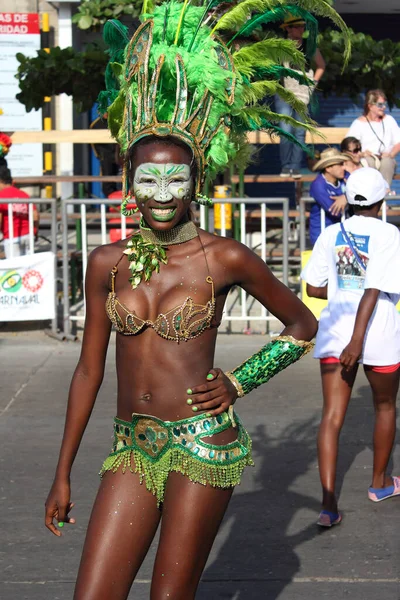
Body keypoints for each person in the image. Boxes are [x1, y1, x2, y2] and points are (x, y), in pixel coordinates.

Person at [44, 5, 319, 599]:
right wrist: (63, 470)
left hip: (202, 442)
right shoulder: (105, 263)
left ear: (197, 180)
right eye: (149, 180)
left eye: (176, 181)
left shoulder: (225, 258)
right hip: (131, 445)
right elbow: (90, 367)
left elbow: (302, 324)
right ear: (128, 181)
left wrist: (240, 382)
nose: (162, 196)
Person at [301, 167, 400, 527]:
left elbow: (313, 289)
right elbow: (375, 289)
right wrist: (358, 340)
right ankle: (380, 484)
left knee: (331, 417)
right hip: (377, 334)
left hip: (335, 332)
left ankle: (328, 505)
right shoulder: (390, 234)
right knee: (386, 406)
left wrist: (344, 291)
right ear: (380, 200)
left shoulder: (330, 234)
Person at [277, 14, 326, 179]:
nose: (301, 29)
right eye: (298, 26)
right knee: (285, 130)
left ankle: (295, 167)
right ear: (288, 29)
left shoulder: (309, 46)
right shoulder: (279, 46)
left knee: (299, 131)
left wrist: (313, 84)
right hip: (283, 92)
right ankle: (285, 166)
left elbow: (321, 65)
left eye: (302, 26)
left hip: (302, 94)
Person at [347, 89, 400, 186]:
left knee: (387, 162)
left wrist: (391, 154)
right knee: (368, 162)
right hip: (367, 157)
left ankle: (384, 192)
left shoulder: (389, 120)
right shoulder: (358, 124)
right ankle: (371, 194)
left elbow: (398, 142)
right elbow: (349, 145)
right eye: (380, 105)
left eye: (385, 104)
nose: (383, 107)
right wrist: (362, 153)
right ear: (370, 106)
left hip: (385, 157)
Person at [0, 138, 39, 259]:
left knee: (14, 268)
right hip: (28, 235)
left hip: (11, 236)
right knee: (28, 267)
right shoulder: (24, 194)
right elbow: (35, 215)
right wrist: (35, 231)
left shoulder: (1, 196)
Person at [309, 147, 348, 246]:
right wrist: (349, 198)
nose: (343, 167)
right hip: (321, 234)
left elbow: (361, 189)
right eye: (339, 164)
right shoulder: (318, 185)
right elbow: (336, 211)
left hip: (340, 233)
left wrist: (346, 197)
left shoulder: (345, 177)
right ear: (328, 168)